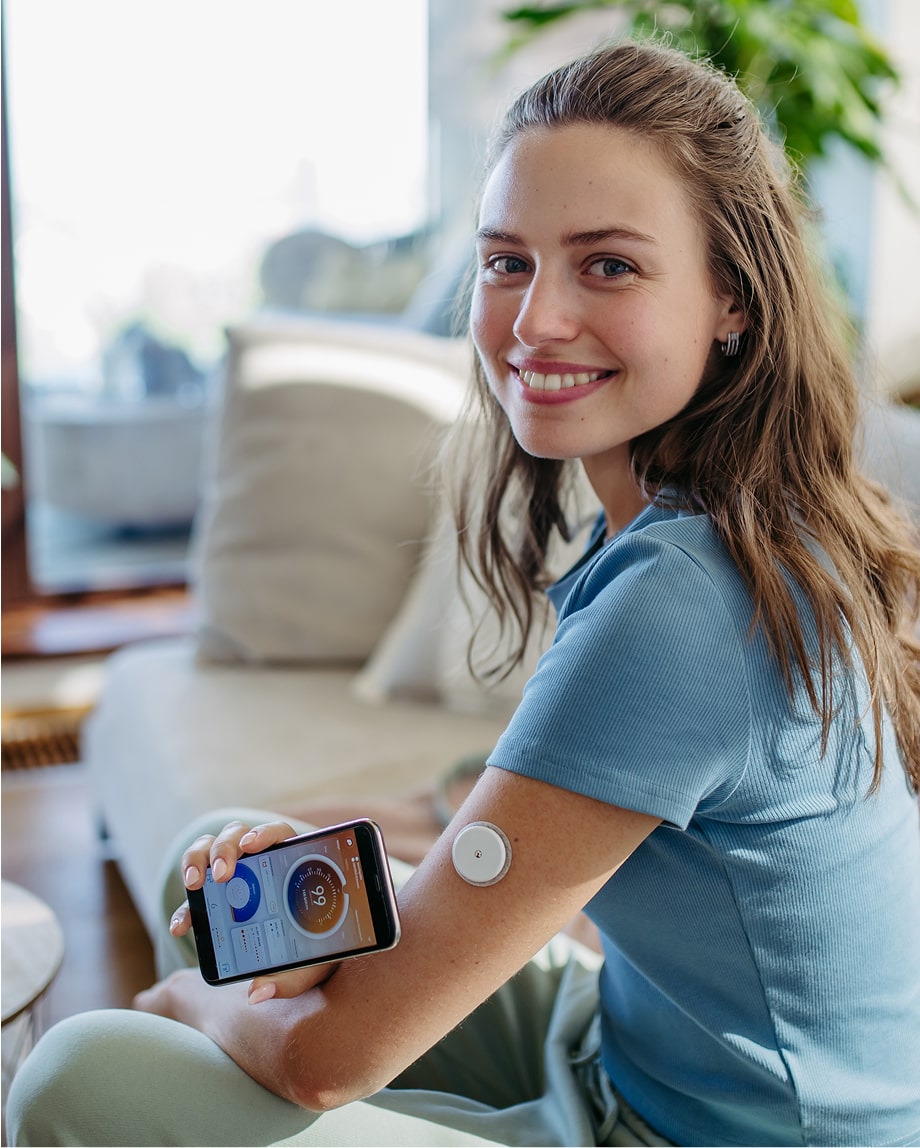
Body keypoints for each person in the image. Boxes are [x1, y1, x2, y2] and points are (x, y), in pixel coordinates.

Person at [8, 38, 920, 1148]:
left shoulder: (682, 604)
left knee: (84, 1070)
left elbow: (323, 1061)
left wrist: (184, 1012)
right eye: (506, 261)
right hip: (620, 1042)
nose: (534, 320)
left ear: (730, 298)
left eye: (608, 265)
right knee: (221, 860)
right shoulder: (722, 521)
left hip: (711, 1133)